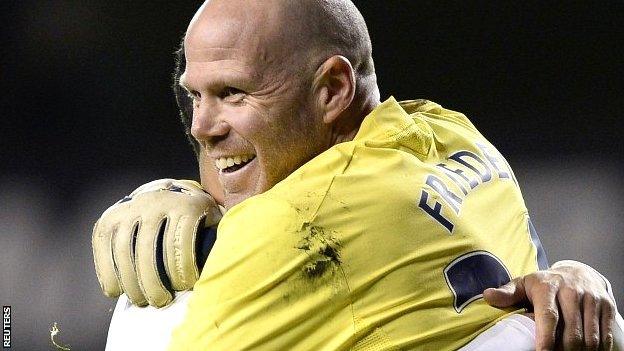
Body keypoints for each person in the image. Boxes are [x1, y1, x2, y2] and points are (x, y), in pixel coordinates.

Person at [92, 0, 622, 350]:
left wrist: (214, 243)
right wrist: (577, 274)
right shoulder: (450, 133)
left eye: (234, 93)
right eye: (195, 95)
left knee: (151, 304)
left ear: (332, 91)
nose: (202, 127)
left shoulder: (290, 231)